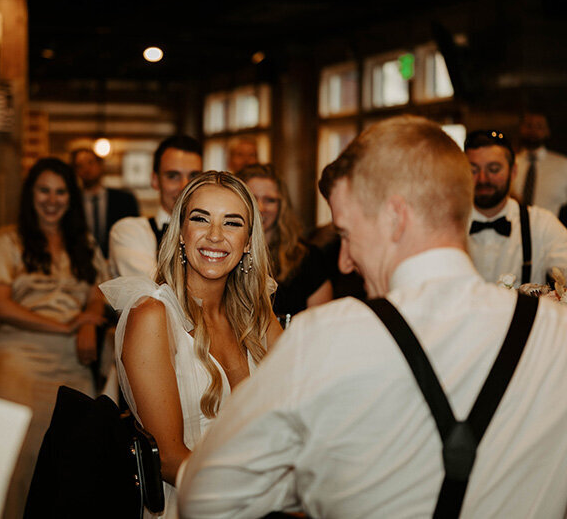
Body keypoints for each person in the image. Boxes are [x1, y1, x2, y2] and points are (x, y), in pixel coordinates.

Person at [178, 116, 567, 517]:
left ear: (395, 218)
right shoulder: (557, 332)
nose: (344, 262)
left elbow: (205, 497)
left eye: (346, 234)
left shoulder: (327, 336)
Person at [101, 171, 283, 518]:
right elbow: (168, 458)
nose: (215, 236)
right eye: (200, 219)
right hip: (189, 503)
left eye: (232, 223)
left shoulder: (256, 316)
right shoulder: (152, 315)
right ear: (181, 233)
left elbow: (306, 397)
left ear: (248, 241)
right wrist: (261, 495)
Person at [0, 157, 107, 519]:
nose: (52, 200)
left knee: (72, 459)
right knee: (15, 459)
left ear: (72, 198)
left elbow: (101, 290)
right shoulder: (7, 240)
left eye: (61, 191)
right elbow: (1, 306)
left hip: (72, 361)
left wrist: (87, 322)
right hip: (16, 355)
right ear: (30, 195)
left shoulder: (83, 243)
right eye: (43, 190)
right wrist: (65, 326)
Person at [465, 129, 567, 286]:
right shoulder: (445, 224)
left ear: (513, 172)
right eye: (473, 170)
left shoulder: (541, 224)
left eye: (493, 169)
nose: (483, 179)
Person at [237, 164, 332, 319]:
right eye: (252, 199)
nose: (260, 207)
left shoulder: (308, 258)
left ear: (282, 206)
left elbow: (321, 326)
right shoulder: (223, 254)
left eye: (270, 200)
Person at [108, 134, 203, 278]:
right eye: (173, 176)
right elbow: (151, 292)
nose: (185, 187)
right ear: (155, 180)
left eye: (194, 176)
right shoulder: (130, 231)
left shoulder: (215, 236)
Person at [70, 147, 139, 257]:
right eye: (80, 166)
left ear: (100, 165)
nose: (86, 169)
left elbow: (135, 235)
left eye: (90, 163)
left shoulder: (124, 200)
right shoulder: (71, 203)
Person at [511, 112, 567, 216]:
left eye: (539, 126)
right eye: (529, 125)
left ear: (548, 131)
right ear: (520, 128)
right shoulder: (509, 164)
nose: (533, 131)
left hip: (552, 229)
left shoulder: (563, 165)